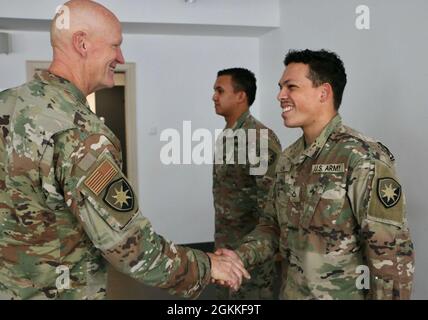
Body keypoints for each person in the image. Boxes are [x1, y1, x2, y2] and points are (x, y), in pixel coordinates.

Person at [0, 0, 249, 300]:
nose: (120, 56)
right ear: (82, 43)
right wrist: (208, 265)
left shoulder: (7, 104)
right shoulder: (80, 132)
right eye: (115, 45)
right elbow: (130, 248)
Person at [216, 49, 415, 299]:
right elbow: (271, 227)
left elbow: (390, 254)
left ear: (323, 93)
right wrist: (240, 255)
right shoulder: (289, 158)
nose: (280, 96)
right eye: (281, 87)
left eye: (291, 87)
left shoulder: (361, 156)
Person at [212, 68, 282, 299]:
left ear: (241, 96)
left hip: (252, 251)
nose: (214, 96)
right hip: (228, 245)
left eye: (220, 90)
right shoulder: (228, 135)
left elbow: (271, 202)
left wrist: (257, 250)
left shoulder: (258, 139)